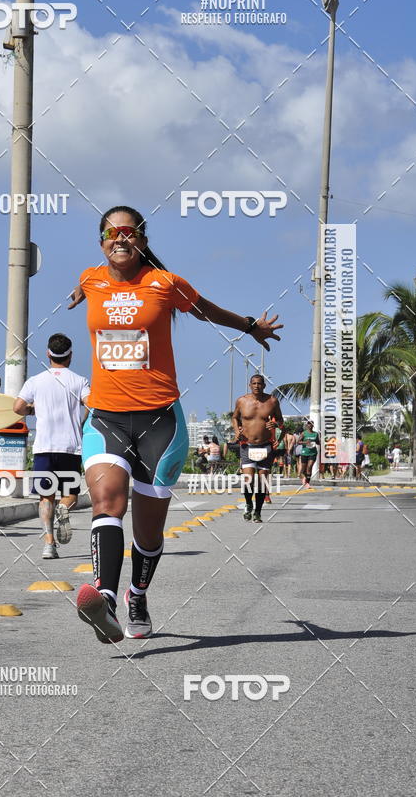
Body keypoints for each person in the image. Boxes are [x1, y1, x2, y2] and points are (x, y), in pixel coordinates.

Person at [67, 205, 282, 643]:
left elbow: (205, 310)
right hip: (105, 417)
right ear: (101, 241)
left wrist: (249, 326)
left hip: (160, 424)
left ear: (143, 241)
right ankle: (105, 599)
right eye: (111, 232)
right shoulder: (91, 279)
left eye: (129, 232)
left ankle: (137, 595)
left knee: (148, 531)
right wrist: (76, 292)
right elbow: (87, 285)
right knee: (107, 504)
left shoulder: (165, 284)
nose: (120, 238)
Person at [14, 334, 90, 559]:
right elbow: (93, 402)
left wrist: (32, 409)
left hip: (44, 447)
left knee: (45, 497)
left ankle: (49, 544)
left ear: (48, 353)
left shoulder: (36, 381)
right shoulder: (79, 380)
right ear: (71, 355)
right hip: (70, 447)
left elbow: (18, 407)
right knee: (71, 495)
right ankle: (64, 508)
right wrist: (82, 420)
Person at [232, 375, 284, 522]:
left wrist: (276, 424)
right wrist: (237, 430)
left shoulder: (272, 401)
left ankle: (258, 512)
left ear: (264, 385)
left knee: (262, 482)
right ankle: (248, 504)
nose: (256, 386)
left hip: (265, 446)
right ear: (249, 385)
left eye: (259, 384)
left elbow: (281, 420)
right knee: (248, 480)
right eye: (254, 383)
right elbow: (235, 417)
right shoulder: (242, 401)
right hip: (247, 445)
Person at [298, 420, 320, 488]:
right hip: (305, 452)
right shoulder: (304, 433)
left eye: (311, 424)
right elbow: (298, 442)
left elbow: (318, 442)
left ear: (313, 425)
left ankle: (307, 482)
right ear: (307, 425)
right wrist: (305, 442)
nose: (310, 425)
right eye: (308, 424)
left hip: (313, 452)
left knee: (309, 467)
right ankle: (303, 477)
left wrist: (321, 441)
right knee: (303, 469)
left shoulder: (316, 434)